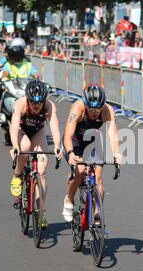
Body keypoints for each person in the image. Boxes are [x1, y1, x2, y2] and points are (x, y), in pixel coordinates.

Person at [61, 84, 123, 223]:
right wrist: (70, 153)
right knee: (80, 170)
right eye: (91, 109)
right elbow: (68, 135)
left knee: (98, 179)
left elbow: (113, 135)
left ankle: (97, 218)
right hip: (76, 141)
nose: (95, 112)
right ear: (85, 104)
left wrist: (116, 154)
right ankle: (69, 201)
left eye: (98, 109)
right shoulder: (78, 108)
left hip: (94, 142)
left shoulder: (107, 110)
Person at [9, 80, 63, 229]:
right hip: (21, 131)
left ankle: (40, 212)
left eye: (39, 103)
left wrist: (58, 146)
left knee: (42, 169)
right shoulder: (20, 104)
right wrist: (15, 146)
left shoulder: (49, 106)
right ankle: (18, 175)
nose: (36, 106)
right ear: (27, 99)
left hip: (38, 132)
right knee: (25, 146)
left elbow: (54, 126)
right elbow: (13, 127)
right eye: (33, 102)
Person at [0, 38, 27, 117]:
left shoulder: (26, 61)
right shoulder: (7, 59)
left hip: (21, 81)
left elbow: (31, 72)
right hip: (8, 80)